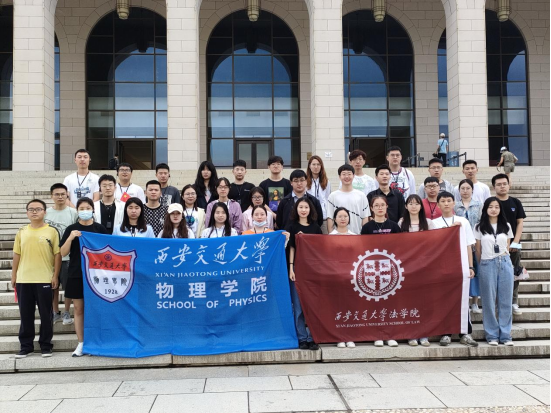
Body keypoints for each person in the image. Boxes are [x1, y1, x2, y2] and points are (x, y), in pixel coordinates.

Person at [12, 200, 61, 359]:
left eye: (38, 209)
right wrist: (14, 275)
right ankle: (26, 346)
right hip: (24, 279)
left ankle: (46, 346)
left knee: (46, 315)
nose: (34, 212)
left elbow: (57, 255)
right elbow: (16, 254)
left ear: (44, 212)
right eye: (31, 209)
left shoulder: (52, 231)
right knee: (25, 315)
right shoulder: (21, 232)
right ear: (27, 212)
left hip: (44, 279)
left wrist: (55, 276)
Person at [60, 198, 107, 357]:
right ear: (77, 210)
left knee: (96, 309)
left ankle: (96, 342)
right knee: (79, 309)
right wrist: (70, 237)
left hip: (97, 274)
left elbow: (108, 249)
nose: (85, 210)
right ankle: (81, 343)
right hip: (76, 273)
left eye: (88, 208)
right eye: (81, 208)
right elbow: (63, 252)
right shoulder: (71, 228)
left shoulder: (99, 228)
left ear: (93, 209)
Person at [432, 192, 479, 348]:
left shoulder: (463, 221)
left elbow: (468, 245)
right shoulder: (434, 223)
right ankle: (445, 333)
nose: (446, 203)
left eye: (449, 200)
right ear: (438, 205)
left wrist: (470, 266)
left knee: (462, 298)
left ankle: (465, 333)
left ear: (454, 203)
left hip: (461, 264)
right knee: (444, 299)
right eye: (443, 201)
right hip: (442, 267)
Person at [361, 196, 401, 347]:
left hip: (390, 268)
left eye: (382, 205)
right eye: (376, 205)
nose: (379, 208)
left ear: (386, 207)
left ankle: (390, 335)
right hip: (372, 269)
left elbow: (400, 246)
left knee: (390, 303)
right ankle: (377, 335)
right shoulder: (367, 227)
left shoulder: (394, 226)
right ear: (371, 208)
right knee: (375, 303)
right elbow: (362, 248)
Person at [475, 197, 515, 346]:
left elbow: (507, 245)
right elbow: (478, 249)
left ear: (500, 209)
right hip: (487, 263)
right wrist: (483, 264)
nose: (493, 209)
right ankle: (492, 335)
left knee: (506, 300)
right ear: (485, 209)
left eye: (496, 207)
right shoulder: (479, 227)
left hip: (505, 262)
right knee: (488, 301)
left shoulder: (506, 226)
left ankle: (505, 335)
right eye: (490, 207)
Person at [286, 198, 322, 351]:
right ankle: (302, 338)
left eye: (306, 207)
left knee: (313, 306)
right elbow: (291, 248)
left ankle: (313, 337)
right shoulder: (292, 226)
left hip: (312, 271)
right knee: (298, 306)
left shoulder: (316, 228)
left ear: (310, 209)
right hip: (297, 269)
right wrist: (291, 268)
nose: (303, 210)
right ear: (296, 209)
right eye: (300, 207)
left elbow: (320, 249)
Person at [399, 195, 435, 347]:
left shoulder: (429, 223)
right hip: (407, 268)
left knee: (424, 302)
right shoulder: (401, 223)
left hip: (424, 268)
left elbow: (434, 244)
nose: (413, 206)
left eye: (416, 203)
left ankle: (424, 334)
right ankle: (411, 334)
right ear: (406, 206)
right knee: (409, 301)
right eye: (410, 203)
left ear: (421, 206)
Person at [493, 173, 526, 315]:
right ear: (494, 187)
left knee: (514, 273)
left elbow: (520, 223)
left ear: (509, 185)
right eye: (499, 184)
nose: (502, 186)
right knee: (496, 274)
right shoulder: (491, 203)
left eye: (504, 184)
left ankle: (513, 301)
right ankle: (497, 302)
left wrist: (515, 242)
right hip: (495, 246)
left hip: (513, 246)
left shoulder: (515, 202)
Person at [45, 184, 78, 325]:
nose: (60, 197)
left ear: (67, 195)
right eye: (57, 194)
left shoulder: (73, 212)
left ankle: (66, 312)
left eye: (63, 194)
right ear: (51, 196)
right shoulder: (46, 213)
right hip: (49, 257)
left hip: (67, 256)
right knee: (53, 285)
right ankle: (55, 311)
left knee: (67, 286)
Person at [454, 179, 483, 314]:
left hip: (475, 243)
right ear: (459, 190)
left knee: (475, 271)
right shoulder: (455, 206)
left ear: (472, 190)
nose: (465, 191)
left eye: (468, 188)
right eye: (462, 188)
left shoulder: (479, 205)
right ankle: (463, 300)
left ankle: (475, 302)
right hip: (460, 244)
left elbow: (482, 223)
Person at [327, 164, 370, 235]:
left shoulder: (361, 196)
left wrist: (363, 235)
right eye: (344, 174)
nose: (346, 176)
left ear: (353, 176)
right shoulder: (333, 196)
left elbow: (365, 217)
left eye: (349, 174)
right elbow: (330, 218)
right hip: (338, 236)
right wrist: (331, 235)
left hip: (357, 235)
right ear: (339, 177)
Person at [306, 156, 332, 233]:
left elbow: (327, 198)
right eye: (313, 164)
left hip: (323, 216)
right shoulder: (305, 181)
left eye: (318, 164)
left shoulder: (326, 182)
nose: (316, 167)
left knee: (325, 238)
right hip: (308, 215)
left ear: (321, 166)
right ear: (309, 166)